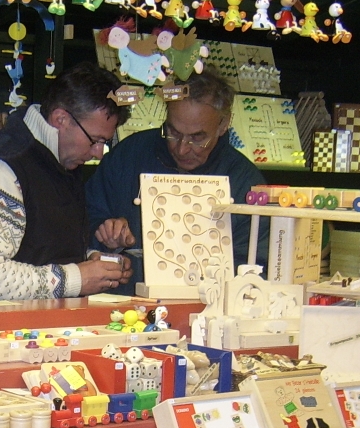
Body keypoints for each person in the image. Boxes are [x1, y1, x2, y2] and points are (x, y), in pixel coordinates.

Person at [0, 62, 132, 302]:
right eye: (95, 140)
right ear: (60, 119)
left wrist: (94, 262)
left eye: (104, 142)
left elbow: (42, 250)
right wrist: (77, 277)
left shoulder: (59, 160)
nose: (98, 152)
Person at [85, 68, 268, 294]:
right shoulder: (129, 155)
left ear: (223, 125)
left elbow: (255, 270)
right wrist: (105, 232)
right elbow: (83, 219)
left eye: (197, 137)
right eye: (173, 132)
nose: (181, 148)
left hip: (207, 308)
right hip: (125, 304)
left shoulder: (245, 183)